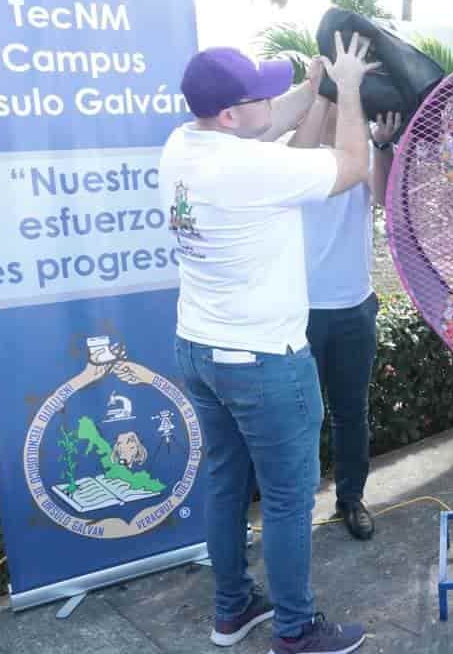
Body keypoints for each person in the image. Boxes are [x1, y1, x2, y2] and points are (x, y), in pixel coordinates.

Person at [160, 32, 379, 653]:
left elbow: (268, 119)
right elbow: (353, 165)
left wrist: (314, 89)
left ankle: (231, 609)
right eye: (259, 94)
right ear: (230, 114)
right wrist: (352, 91)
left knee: (228, 481)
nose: (270, 101)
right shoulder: (251, 168)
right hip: (262, 361)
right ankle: (296, 628)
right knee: (287, 499)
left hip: (200, 350)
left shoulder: (184, 143)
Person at [291, 88, 402, 541]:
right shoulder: (297, 161)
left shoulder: (362, 157)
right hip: (300, 312)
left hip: (355, 307)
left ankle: (350, 498)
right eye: (339, 101)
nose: (348, 113)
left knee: (350, 412)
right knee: (298, 417)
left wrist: (382, 144)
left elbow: (385, 197)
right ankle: (293, 509)